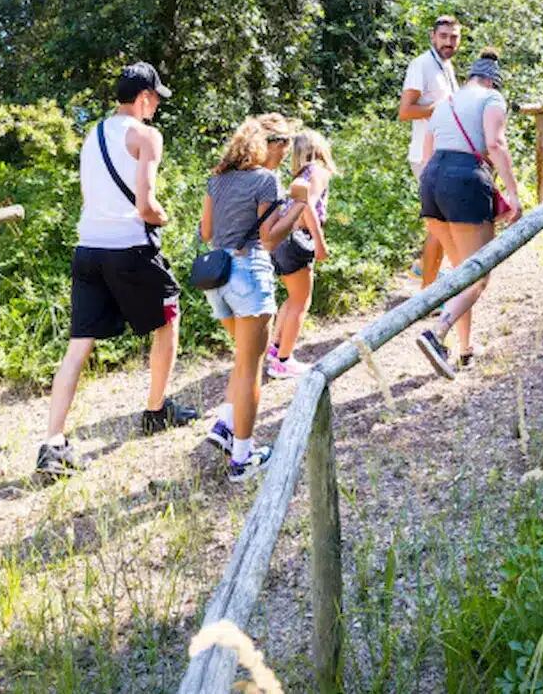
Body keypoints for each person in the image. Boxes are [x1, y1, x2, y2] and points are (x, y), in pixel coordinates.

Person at [35, 62, 196, 477]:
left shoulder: (92, 135)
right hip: (129, 248)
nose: (156, 107)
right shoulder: (146, 136)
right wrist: (163, 218)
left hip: (87, 247)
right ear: (143, 98)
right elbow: (146, 205)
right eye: (156, 99)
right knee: (168, 315)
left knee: (79, 343)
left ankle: (53, 442)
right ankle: (156, 409)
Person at [200, 114, 309, 482]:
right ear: (269, 144)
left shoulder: (217, 179)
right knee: (252, 369)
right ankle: (243, 459)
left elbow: (206, 232)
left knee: (244, 359)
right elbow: (270, 239)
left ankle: (226, 425)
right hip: (248, 273)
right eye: (284, 145)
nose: (285, 153)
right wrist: (297, 206)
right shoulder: (265, 180)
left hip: (217, 278)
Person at [415, 49, 522, 379]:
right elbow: (495, 144)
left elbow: (426, 154)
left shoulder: (445, 102)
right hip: (464, 180)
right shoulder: (492, 99)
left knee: (462, 270)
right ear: (492, 80)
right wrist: (514, 193)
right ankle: (437, 333)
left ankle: (464, 349)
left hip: (432, 181)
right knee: (479, 273)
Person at [399, 15, 462, 290]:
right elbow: (405, 111)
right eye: (444, 36)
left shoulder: (446, 66)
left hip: (445, 155)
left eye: (454, 37)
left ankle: (423, 269)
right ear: (432, 36)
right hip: (426, 157)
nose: (449, 42)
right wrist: (438, 109)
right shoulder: (422, 65)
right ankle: (428, 292)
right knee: (442, 223)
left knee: (443, 222)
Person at [266, 130, 335, 379]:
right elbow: (307, 207)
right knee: (301, 301)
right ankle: (283, 360)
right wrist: (320, 243)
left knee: (292, 298)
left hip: (282, 241)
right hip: (298, 240)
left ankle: (275, 350)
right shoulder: (317, 171)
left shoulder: (301, 174)